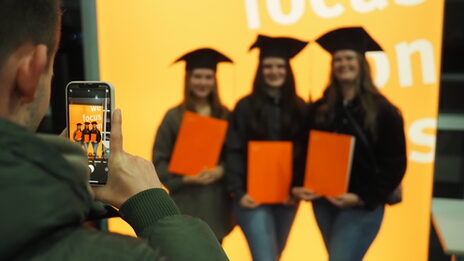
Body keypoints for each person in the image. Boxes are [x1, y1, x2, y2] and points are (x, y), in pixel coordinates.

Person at [0, 1, 228, 260]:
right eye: (51, 71)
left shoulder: (226, 114)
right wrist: (153, 205)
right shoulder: (112, 254)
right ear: (31, 68)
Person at [292, 27, 407, 261]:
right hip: (325, 202)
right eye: (338, 60)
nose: (343, 64)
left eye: (349, 58)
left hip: (362, 205)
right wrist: (300, 183)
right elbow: (305, 150)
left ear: (362, 64)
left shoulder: (384, 111)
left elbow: (395, 163)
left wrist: (362, 196)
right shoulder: (321, 109)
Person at [225, 35, 308, 261]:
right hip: (251, 198)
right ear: (260, 70)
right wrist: (239, 192)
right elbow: (233, 150)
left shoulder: (300, 107)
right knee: (264, 257)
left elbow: (305, 154)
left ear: (287, 70)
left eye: (280, 66)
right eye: (268, 66)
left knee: (274, 255)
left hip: (286, 199)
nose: (274, 71)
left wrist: (296, 188)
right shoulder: (244, 106)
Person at [153, 48, 235, 242]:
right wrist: (186, 179)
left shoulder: (225, 115)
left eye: (208, 77)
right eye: (197, 77)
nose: (203, 82)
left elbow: (235, 156)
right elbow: (158, 160)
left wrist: (222, 170)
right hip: (185, 201)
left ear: (215, 81)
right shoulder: (173, 117)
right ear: (188, 79)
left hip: (216, 201)